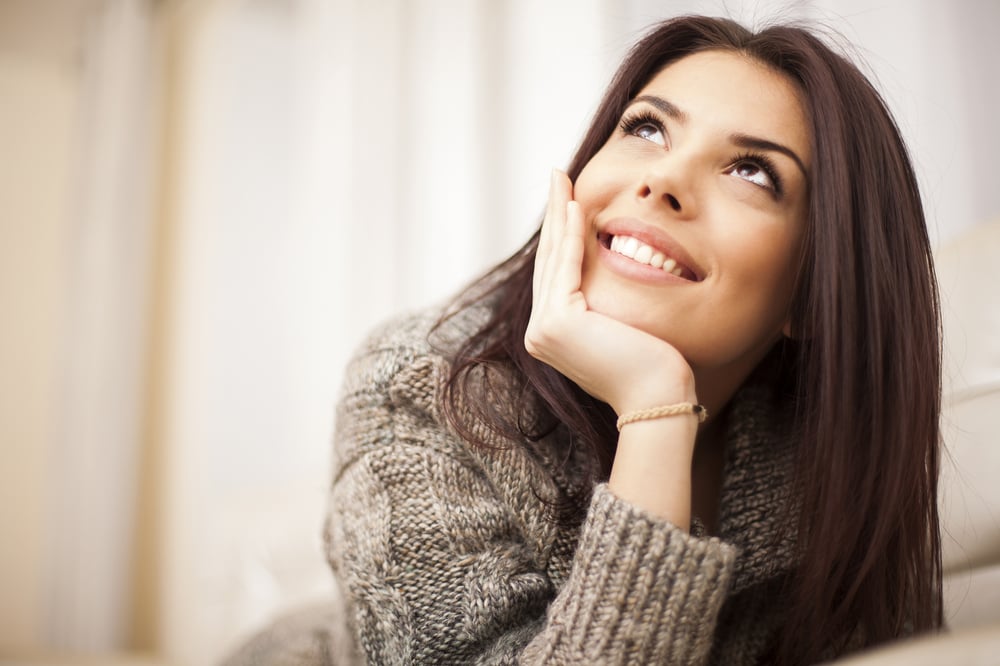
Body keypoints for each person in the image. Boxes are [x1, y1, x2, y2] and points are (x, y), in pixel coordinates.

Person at [324, 15, 942, 665]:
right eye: (647, 128)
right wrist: (657, 407)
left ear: (817, 289)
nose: (665, 180)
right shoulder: (419, 387)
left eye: (753, 172)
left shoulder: (828, 462)